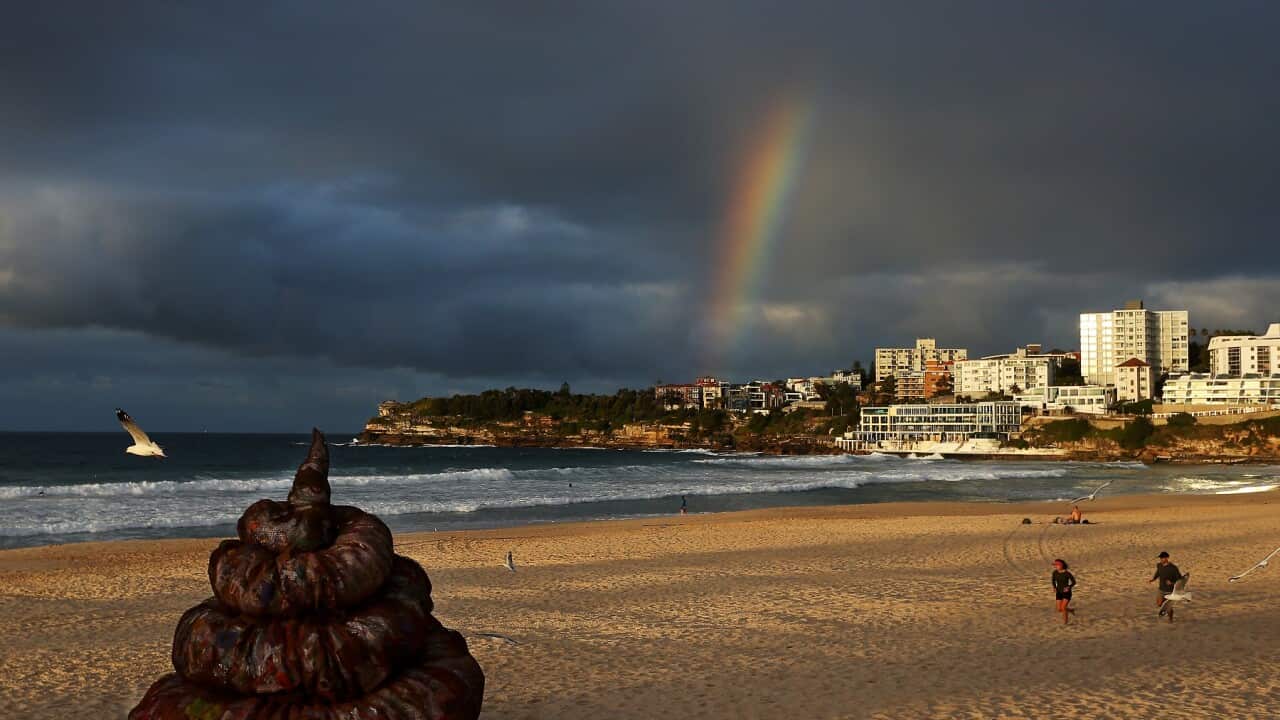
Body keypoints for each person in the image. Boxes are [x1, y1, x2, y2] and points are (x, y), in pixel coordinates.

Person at [1149, 551, 1182, 622]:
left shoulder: (1173, 568)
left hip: (1170, 590)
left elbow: (1179, 579)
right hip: (1161, 589)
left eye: (1162, 558)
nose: (1161, 559)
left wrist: (1172, 583)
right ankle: (1167, 607)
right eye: (1160, 558)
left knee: (1168, 607)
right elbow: (1158, 572)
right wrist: (1153, 579)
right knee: (1159, 604)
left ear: (1167, 558)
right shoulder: (1159, 565)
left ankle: (1170, 619)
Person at [1051, 559, 1076, 624]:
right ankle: (1071, 610)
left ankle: (1065, 623)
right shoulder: (1055, 572)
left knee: (1063, 607)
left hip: (1066, 592)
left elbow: (1074, 582)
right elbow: (1053, 581)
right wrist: (1054, 587)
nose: (1055, 566)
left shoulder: (1067, 573)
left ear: (1061, 565)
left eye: (1057, 565)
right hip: (1059, 592)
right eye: (1055, 565)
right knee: (1059, 609)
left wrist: (1069, 587)